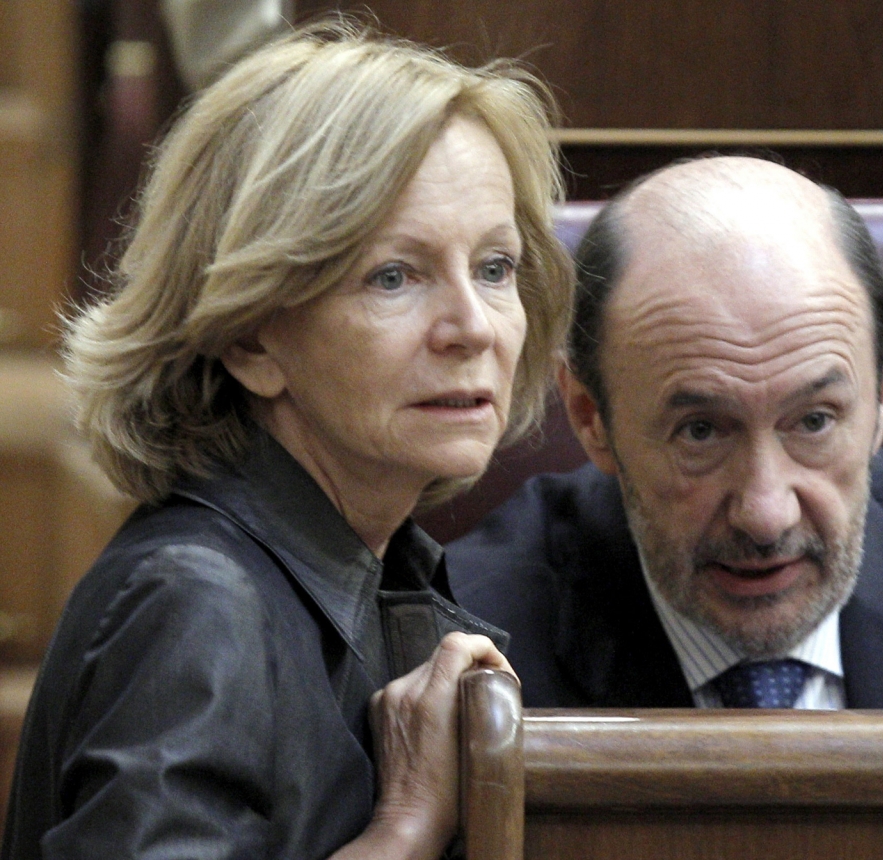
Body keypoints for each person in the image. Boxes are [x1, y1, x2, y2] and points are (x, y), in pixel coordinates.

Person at [3, 20, 573, 860]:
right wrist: (406, 829)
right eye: (394, 276)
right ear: (252, 338)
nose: (472, 327)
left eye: (495, 268)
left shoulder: (370, 570)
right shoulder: (195, 606)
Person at [448, 155, 883, 711]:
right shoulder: (470, 642)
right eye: (701, 432)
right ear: (590, 415)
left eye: (814, 421)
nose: (766, 517)